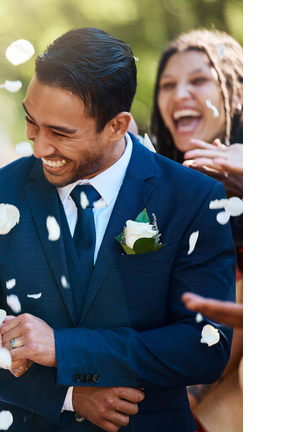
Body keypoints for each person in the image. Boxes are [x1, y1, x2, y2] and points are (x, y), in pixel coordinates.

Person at [0, 28, 235, 432]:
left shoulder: (193, 197)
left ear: (117, 126)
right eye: (31, 122)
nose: (38, 147)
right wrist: (70, 394)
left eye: (61, 133)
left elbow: (204, 346)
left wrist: (65, 350)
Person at [150, 29, 243, 430]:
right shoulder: (152, 193)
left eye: (199, 80)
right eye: (168, 85)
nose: (180, 94)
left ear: (236, 94)